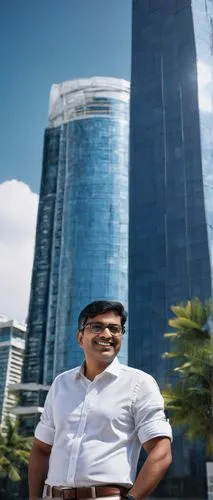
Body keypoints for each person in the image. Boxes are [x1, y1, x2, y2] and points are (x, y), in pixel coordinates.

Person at [29, 300, 172, 500]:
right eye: (96, 327)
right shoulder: (61, 384)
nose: (106, 334)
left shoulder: (139, 383)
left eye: (114, 328)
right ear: (80, 337)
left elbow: (161, 451)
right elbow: (41, 448)